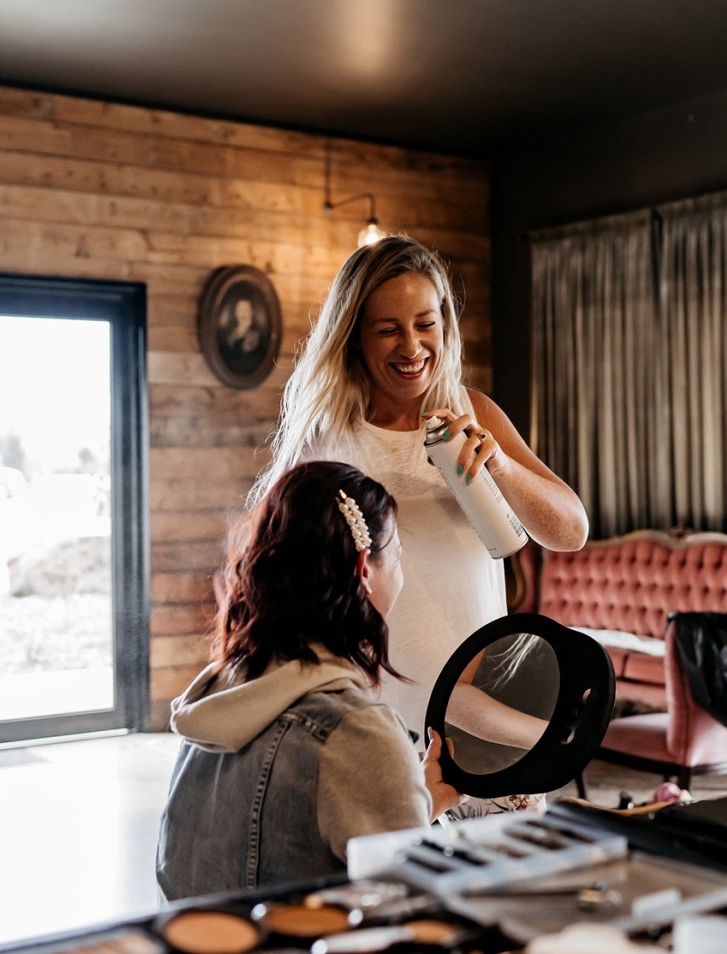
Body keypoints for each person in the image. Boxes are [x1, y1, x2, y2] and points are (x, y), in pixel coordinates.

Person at [254, 235, 587, 752]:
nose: (411, 348)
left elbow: (571, 532)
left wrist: (500, 466)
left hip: (484, 703)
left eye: (425, 324)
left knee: (505, 834)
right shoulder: (327, 442)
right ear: (355, 339)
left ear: (445, 328)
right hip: (378, 716)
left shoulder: (473, 414)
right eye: (388, 330)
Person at [157, 461, 459, 899]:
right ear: (364, 569)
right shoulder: (356, 731)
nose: (401, 573)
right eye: (395, 555)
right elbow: (405, 907)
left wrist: (421, 800)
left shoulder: (221, 690)